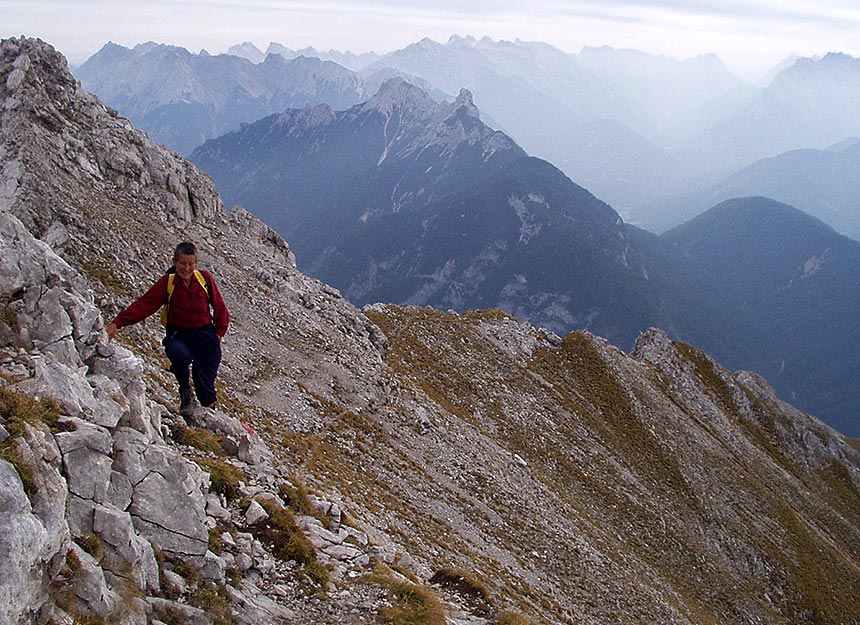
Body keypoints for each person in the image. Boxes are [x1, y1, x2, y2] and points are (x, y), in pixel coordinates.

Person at [108, 242, 230, 416]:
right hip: (180, 335)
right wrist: (117, 323)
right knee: (178, 354)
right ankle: (185, 391)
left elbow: (220, 307)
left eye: (191, 263)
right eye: (183, 263)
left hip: (205, 335)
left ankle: (209, 414)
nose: (186, 268)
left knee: (205, 381)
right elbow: (145, 305)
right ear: (174, 262)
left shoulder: (205, 279)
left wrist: (219, 333)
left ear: (196, 263)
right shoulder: (168, 283)